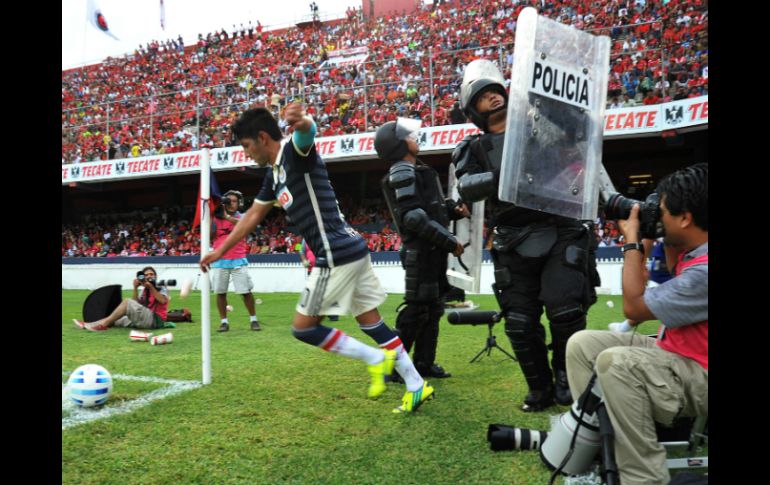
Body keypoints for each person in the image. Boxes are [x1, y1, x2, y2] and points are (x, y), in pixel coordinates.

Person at [200, 104, 434, 413]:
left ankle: (377, 360)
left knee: (304, 328)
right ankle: (416, 384)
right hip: (352, 249)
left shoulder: (294, 155)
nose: (245, 153)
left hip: (335, 253)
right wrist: (219, 251)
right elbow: (253, 215)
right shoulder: (273, 176)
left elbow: (307, 134)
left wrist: (303, 121)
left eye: (245, 146)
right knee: (372, 323)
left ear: (262, 137)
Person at [452, 59, 600, 411]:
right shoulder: (471, 148)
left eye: (495, 91)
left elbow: (580, 130)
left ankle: (566, 377)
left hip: (559, 227)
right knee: (518, 322)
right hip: (511, 239)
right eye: (483, 96)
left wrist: (550, 101)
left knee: (565, 310)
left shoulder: (540, 128)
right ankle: (539, 388)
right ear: (473, 109)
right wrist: (505, 175)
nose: (492, 98)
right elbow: (467, 187)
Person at [566, 163, 708, 485]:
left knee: (617, 363)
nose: (657, 215)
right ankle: (597, 448)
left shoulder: (705, 270)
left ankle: (642, 476)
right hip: (675, 354)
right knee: (582, 345)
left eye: (662, 211)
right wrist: (649, 229)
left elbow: (634, 305)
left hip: (700, 373)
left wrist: (633, 238)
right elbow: (669, 271)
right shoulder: (694, 249)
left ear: (685, 218)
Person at [375, 118, 469, 380]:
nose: (415, 138)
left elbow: (430, 209)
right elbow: (413, 218)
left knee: (433, 309)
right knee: (416, 312)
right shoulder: (402, 171)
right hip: (422, 253)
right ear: (399, 145)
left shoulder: (415, 170)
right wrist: (449, 240)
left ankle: (424, 364)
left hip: (431, 253)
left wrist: (453, 210)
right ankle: (396, 369)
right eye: (409, 136)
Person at [211, 189, 261, 332]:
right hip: (220, 260)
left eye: (235, 201)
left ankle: (254, 320)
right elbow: (209, 236)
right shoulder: (216, 218)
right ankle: (224, 322)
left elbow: (246, 226)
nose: (232, 203)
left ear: (239, 203)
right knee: (220, 293)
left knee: (245, 291)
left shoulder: (243, 216)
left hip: (238, 259)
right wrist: (210, 216)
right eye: (229, 201)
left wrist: (226, 217)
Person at [73, 266, 171, 332]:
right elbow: (136, 305)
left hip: (156, 321)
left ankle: (101, 325)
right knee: (116, 319)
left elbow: (162, 300)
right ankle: (90, 325)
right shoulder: (144, 290)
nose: (149, 276)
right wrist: (135, 288)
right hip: (147, 318)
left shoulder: (161, 287)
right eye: (146, 275)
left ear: (155, 276)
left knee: (127, 302)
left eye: (151, 274)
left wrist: (151, 287)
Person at [299, 238, 338, 321]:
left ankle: (332, 314)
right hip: (311, 270)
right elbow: (301, 251)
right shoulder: (305, 240)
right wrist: (304, 261)